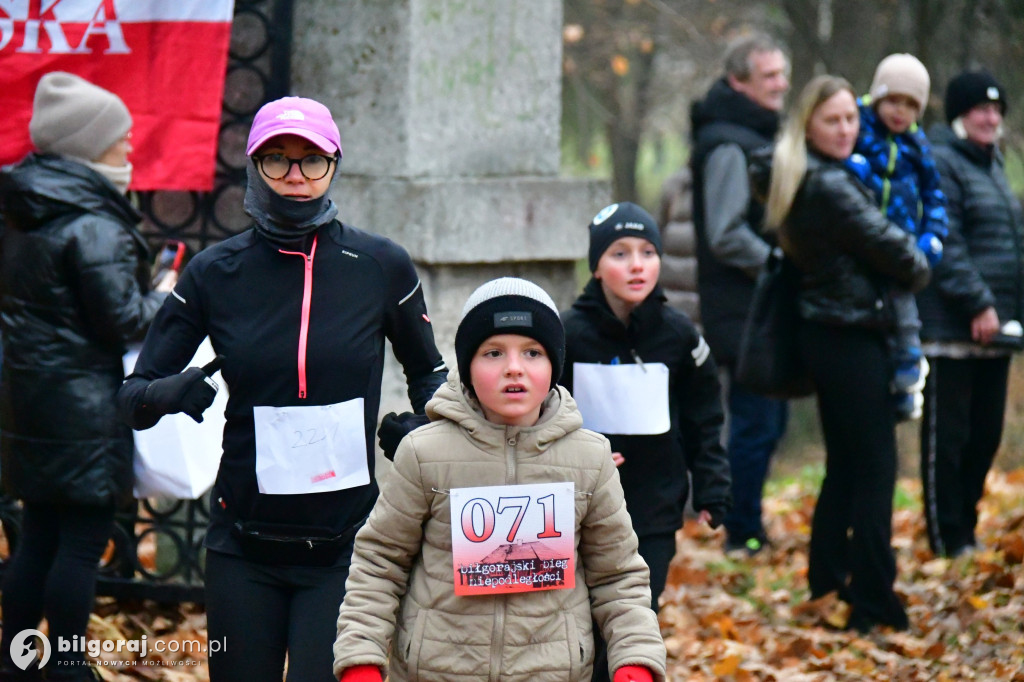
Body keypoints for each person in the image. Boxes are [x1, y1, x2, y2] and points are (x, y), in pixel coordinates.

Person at [117, 96, 447, 682]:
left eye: (311, 159)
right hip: (242, 545)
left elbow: (430, 376)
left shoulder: (380, 266)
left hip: (346, 549)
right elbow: (132, 398)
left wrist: (433, 431)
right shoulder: (215, 273)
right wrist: (165, 394)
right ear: (254, 166)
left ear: (333, 165)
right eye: (278, 159)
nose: (296, 174)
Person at [332, 277, 667, 682]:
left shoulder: (590, 457)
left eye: (533, 352)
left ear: (554, 366)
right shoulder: (423, 453)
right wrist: (361, 658)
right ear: (467, 366)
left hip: (551, 672)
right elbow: (379, 562)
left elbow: (618, 575)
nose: (514, 367)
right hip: (437, 671)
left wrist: (636, 659)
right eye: (493, 353)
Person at [0, 72, 165, 681]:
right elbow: (122, 318)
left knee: (36, 538)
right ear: (88, 148)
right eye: (118, 140)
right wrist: (166, 297)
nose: (128, 150)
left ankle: (15, 662)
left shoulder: (25, 208)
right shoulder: (91, 220)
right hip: (84, 408)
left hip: (31, 402)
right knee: (78, 546)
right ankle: (67, 666)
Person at [759, 74, 930, 632]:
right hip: (850, 337)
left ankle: (828, 582)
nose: (845, 129)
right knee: (877, 468)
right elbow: (904, 259)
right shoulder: (829, 186)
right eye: (831, 120)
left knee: (847, 467)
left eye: (850, 119)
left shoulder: (808, 177)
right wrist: (921, 254)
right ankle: (874, 601)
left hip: (832, 335)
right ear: (807, 123)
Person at [560, 201, 731, 611]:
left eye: (648, 253)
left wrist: (712, 487)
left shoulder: (679, 335)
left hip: (654, 507)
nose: (637, 265)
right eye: (620, 254)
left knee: (636, 610)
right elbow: (541, 413)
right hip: (578, 509)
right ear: (596, 267)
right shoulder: (566, 336)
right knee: (582, 618)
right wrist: (577, 455)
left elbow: (703, 416)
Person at [690, 32, 791, 555]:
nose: (782, 84)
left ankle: (750, 525)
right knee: (754, 425)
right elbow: (726, 233)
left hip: (762, 308)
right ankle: (741, 532)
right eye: (769, 75)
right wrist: (777, 263)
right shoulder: (728, 142)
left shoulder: (753, 134)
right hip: (744, 312)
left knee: (770, 423)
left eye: (782, 73)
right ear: (739, 81)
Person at [917, 70, 1024, 559]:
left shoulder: (993, 165)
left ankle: (968, 528)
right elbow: (947, 243)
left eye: (997, 110)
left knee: (985, 437)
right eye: (981, 109)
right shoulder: (942, 162)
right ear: (961, 114)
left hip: (997, 330)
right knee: (950, 438)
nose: (991, 118)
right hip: (953, 326)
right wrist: (977, 303)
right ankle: (946, 539)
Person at [845, 53, 948, 420]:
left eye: (910, 104)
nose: (899, 112)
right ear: (876, 98)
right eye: (892, 100)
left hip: (902, 243)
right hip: (863, 242)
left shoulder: (918, 147)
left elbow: (934, 196)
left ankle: (906, 378)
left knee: (905, 314)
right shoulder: (857, 131)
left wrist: (932, 237)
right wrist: (854, 167)